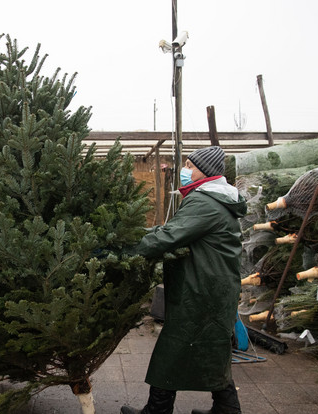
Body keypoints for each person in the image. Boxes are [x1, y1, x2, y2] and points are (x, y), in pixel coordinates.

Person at [121, 146, 246, 414]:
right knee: (212, 350)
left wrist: (121, 250)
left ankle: (157, 411)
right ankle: (226, 410)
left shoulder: (205, 202)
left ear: (206, 171)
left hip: (203, 291)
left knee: (172, 350)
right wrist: (133, 232)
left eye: (190, 164)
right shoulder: (213, 199)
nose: (185, 170)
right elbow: (172, 230)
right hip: (211, 288)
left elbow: (168, 238)